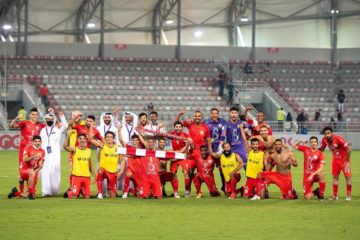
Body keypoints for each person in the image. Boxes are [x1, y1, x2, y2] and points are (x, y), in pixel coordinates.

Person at [175, 110, 211, 197]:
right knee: (187, 173)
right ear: (194, 117)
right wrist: (179, 114)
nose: (197, 117)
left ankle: (199, 192)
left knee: (199, 175)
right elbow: (177, 123)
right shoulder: (190, 124)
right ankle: (187, 190)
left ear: (201, 117)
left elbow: (208, 140)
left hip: (201, 155)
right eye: (196, 116)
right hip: (191, 154)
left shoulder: (205, 127)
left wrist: (210, 151)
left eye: (199, 116)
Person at [9, 107, 45, 193]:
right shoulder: (24, 123)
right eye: (33, 114)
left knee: (33, 171)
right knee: (22, 172)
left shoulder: (40, 125)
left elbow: (49, 127)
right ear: (30, 115)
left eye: (36, 115)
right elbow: (12, 125)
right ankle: (21, 191)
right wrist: (16, 119)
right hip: (23, 152)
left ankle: (29, 190)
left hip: (34, 152)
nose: (34, 116)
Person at [8, 136, 45, 200]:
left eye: (39, 141)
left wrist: (35, 172)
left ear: (41, 142)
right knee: (31, 173)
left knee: (32, 194)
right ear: (33, 142)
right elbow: (25, 159)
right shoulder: (28, 148)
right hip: (24, 170)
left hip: (32, 173)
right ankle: (30, 194)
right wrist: (34, 156)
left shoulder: (42, 151)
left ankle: (16, 193)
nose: (37, 143)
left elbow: (40, 165)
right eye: (35, 141)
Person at [39, 111, 68, 196]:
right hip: (45, 155)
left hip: (55, 155)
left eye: (51, 119)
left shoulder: (57, 129)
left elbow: (65, 125)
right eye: (48, 119)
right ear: (45, 120)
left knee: (54, 172)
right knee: (45, 172)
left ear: (54, 120)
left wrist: (62, 116)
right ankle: (46, 192)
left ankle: (54, 191)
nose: (49, 120)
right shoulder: (42, 131)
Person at [320, 127, 352, 201]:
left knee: (347, 177)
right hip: (335, 160)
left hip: (344, 160)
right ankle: (335, 196)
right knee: (335, 177)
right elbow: (322, 149)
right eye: (325, 134)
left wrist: (347, 161)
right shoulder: (324, 140)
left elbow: (349, 150)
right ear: (324, 135)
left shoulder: (338, 139)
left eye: (328, 133)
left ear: (332, 133)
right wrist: (313, 149)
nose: (327, 135)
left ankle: (349, 195)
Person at [63, 133, 96, 199]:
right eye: (80, 139)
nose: (82, 140)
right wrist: (68, 135)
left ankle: (80, 190)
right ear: (77, 140)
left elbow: (90, 164)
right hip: (76, 177)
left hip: (86, 177)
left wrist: (94, 176)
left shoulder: (89, 151)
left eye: (83, 139)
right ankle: (69, 191)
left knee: (87, 197)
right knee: (74, 197)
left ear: (86, 140)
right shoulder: (74, 150)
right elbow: (65, 147)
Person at [94, 131, 125, 199]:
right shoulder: (102, 146)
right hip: (104, 170)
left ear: (113, 139)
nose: (109, 138)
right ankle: (99, 193)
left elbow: (123, 160)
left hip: (113, 172)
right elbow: (91, 139)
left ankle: (110, 191)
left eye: (111, 137)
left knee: (112, 196)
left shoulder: (118, 147)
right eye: (107, 137)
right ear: (105, 138)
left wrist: (121, 171)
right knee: (100, 170)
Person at [204, 108, 227, 192]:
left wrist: (222, 140)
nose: (214, 115)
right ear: (210, 114)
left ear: (218, 114)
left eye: (216, 113)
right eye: (212, 113)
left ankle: (224, 187)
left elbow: (224, 132)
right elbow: (204, 133)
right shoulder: (206, 122)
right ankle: (212, 188)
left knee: (222, 169)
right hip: (210, 149)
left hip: (220, 149)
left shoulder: (223, 122)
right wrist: (208, 140)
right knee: (209, 169)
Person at [169, 121, 192, 196]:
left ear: (182, 128)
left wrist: (189, 144)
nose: (178, 128)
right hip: (175, 157)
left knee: (186, 173)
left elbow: (188, 147)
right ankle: (175, 192)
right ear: (174, 127)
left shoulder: (186, 135)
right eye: (176, 127)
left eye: (179, 127)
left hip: (183, 157)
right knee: (173, 173)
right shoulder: (171, 134)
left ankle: (186, 191)